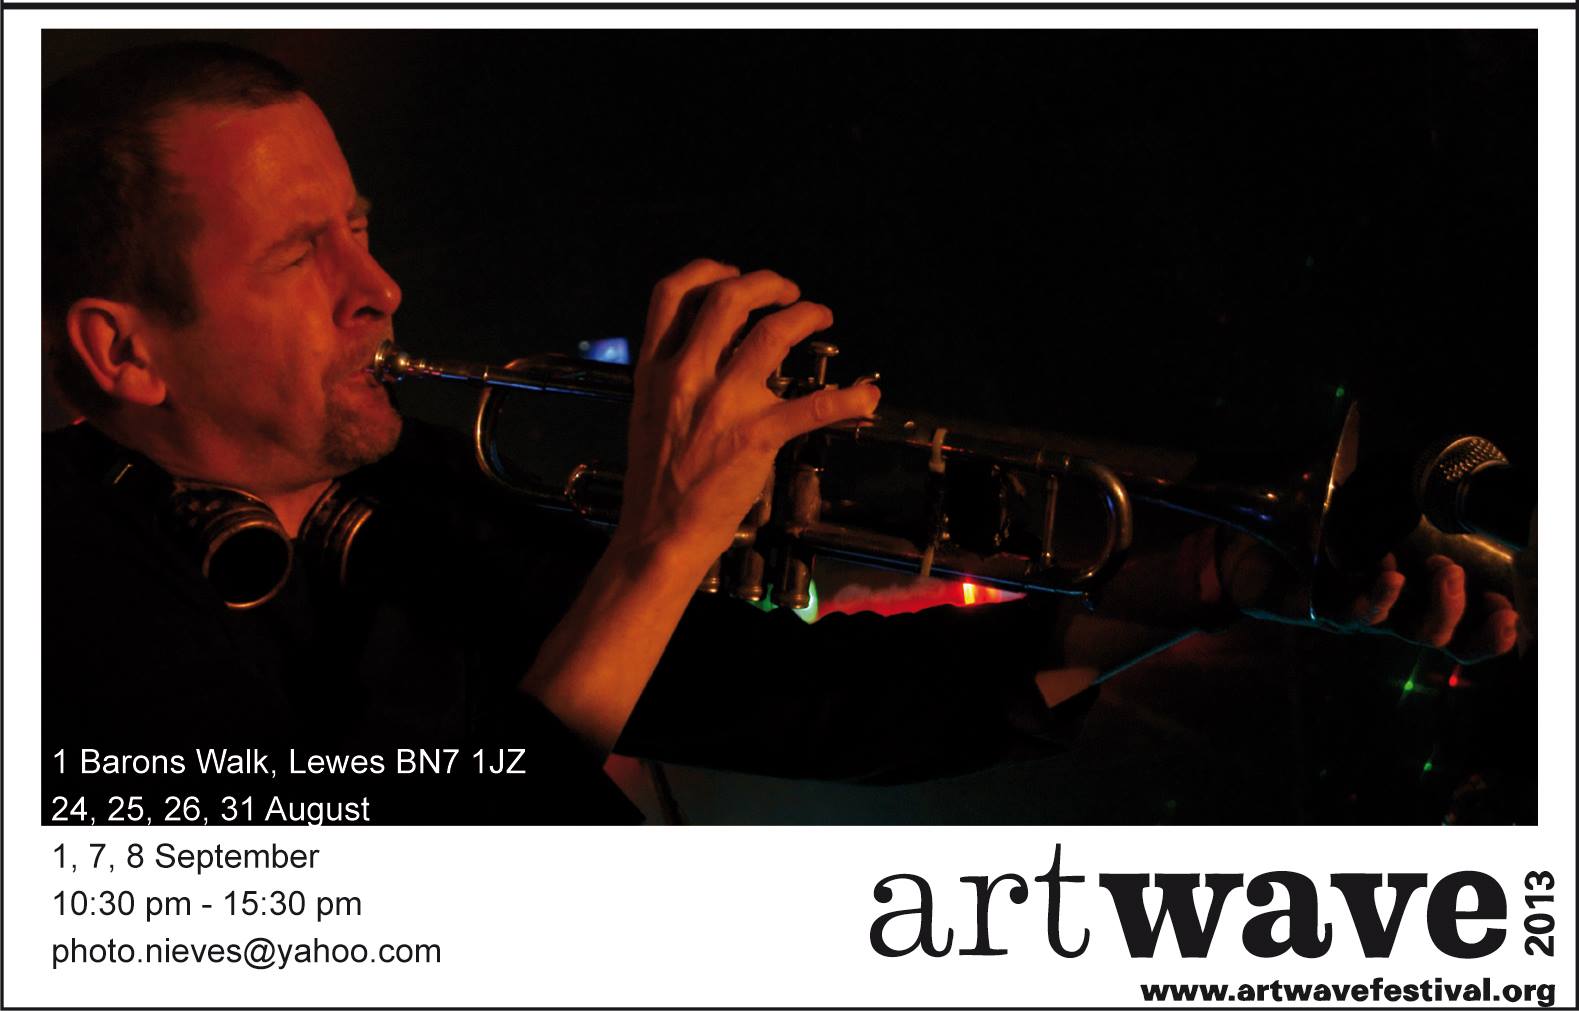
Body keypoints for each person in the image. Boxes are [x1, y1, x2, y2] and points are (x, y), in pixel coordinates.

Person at [40, 43, 1519, 824]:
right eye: (299, 254)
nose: (380, 289)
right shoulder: (57, 620)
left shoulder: (416, 496)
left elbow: (804, 703)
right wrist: (663, 537)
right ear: (124, 350)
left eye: (361, 227)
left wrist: (1179, 590)